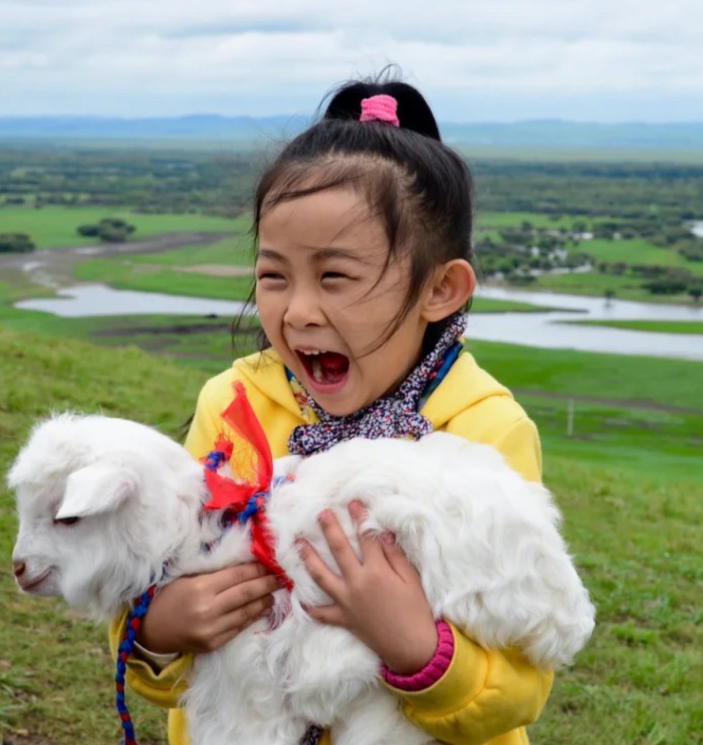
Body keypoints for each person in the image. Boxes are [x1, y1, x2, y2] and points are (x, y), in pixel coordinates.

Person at [108, 73, 553, 745]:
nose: (298, 309)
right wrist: (157, 626)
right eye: (273, 275)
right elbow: (161, 615)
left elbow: (523, 680)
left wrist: (416, 647)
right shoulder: (231, 407)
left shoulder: (484, 431)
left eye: (335, 276)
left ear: (441, 287)